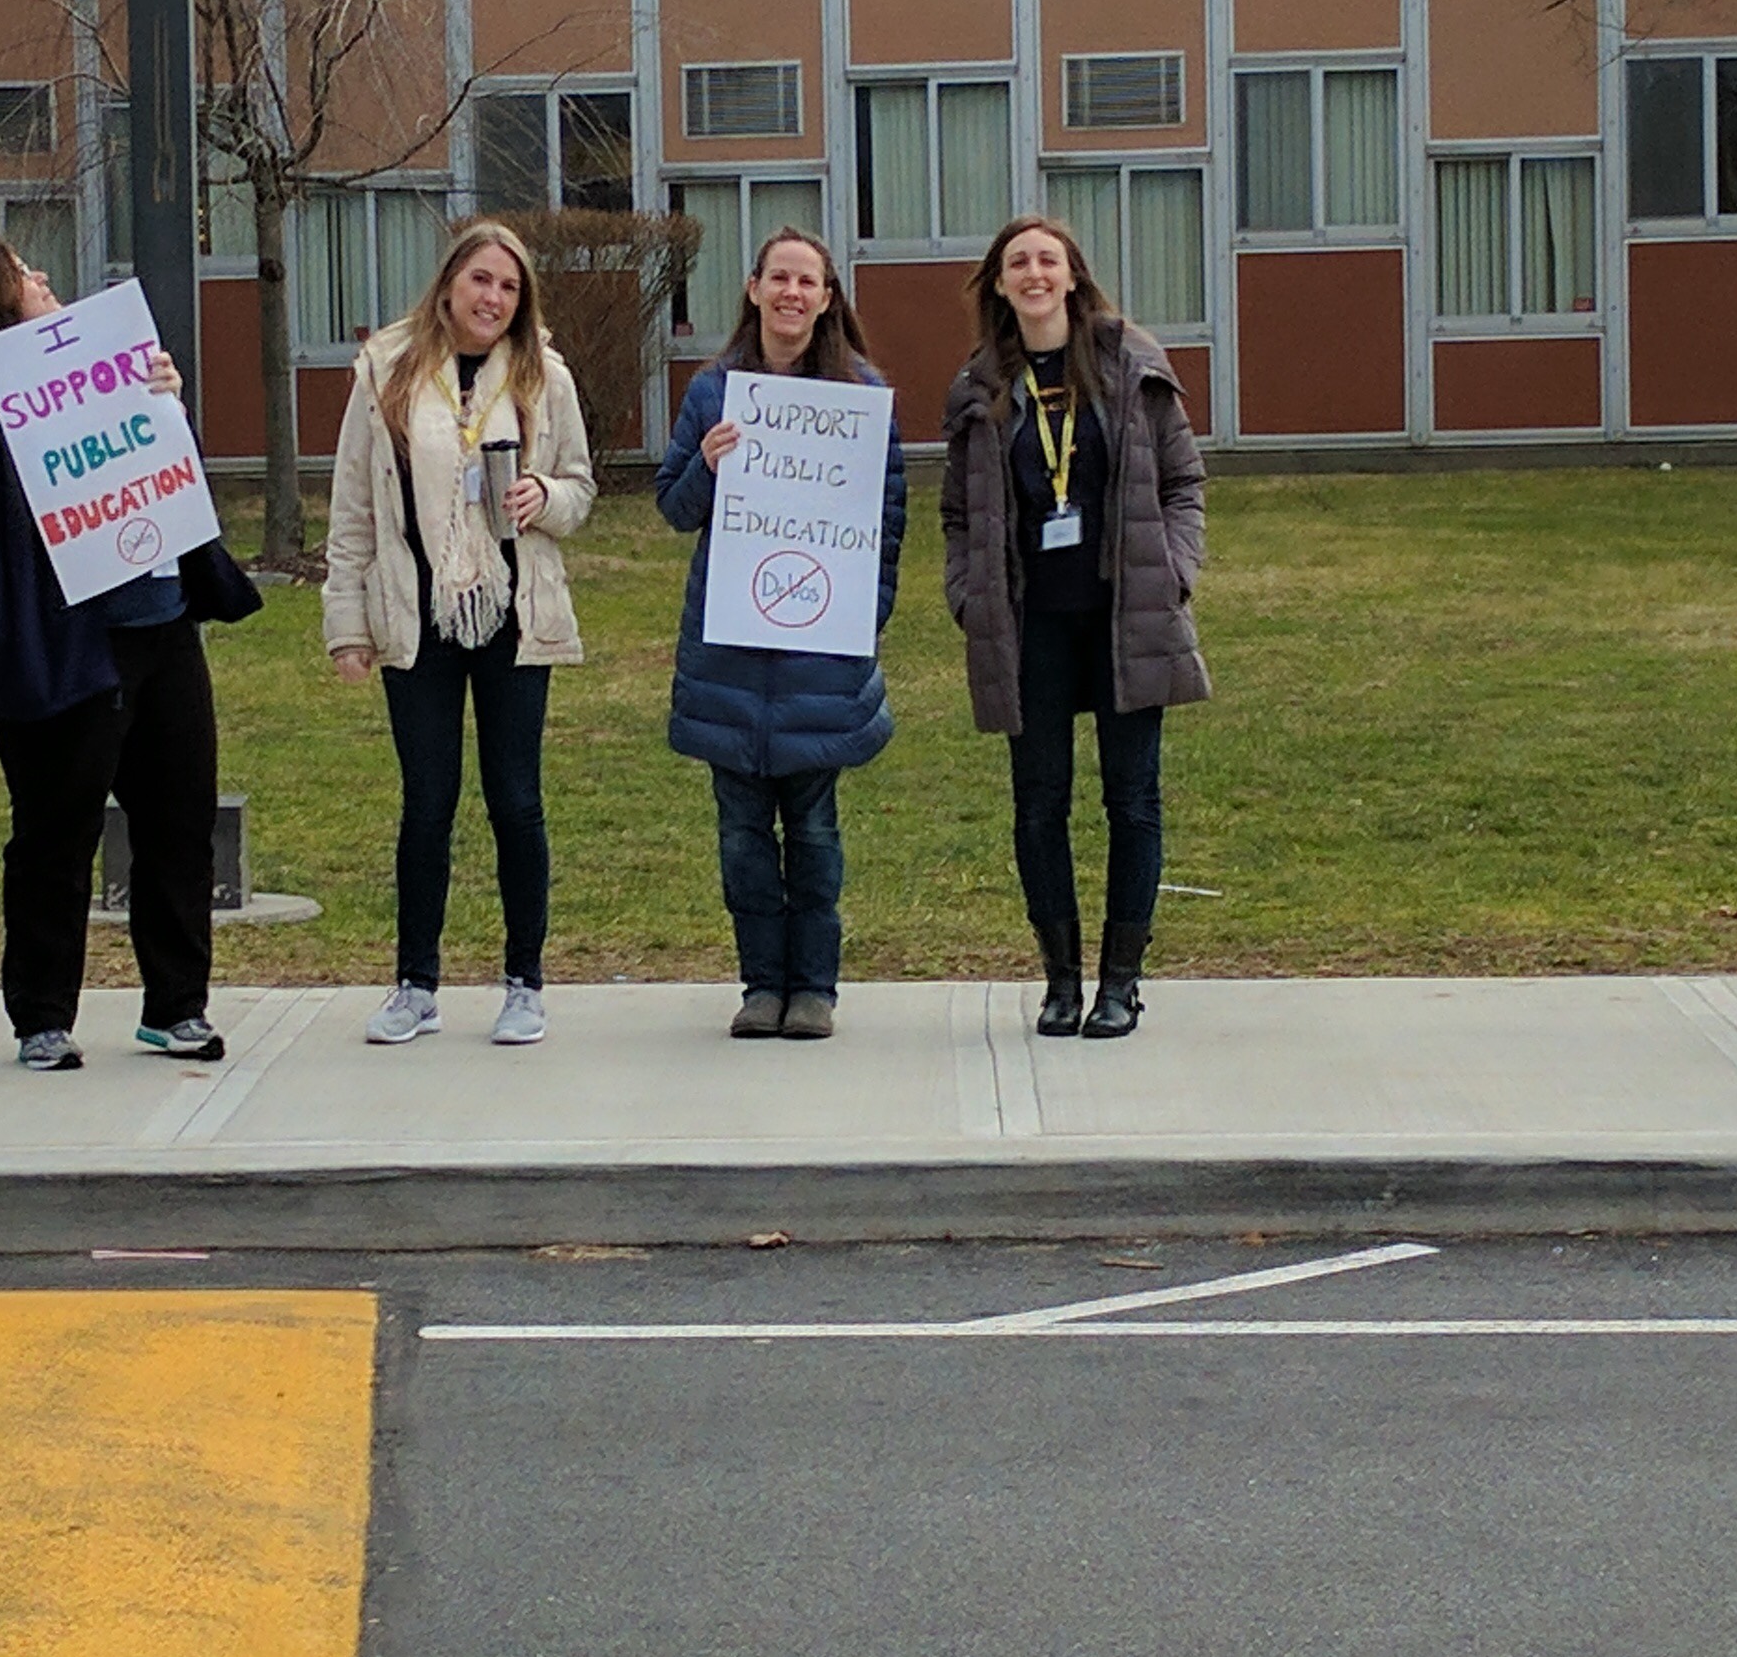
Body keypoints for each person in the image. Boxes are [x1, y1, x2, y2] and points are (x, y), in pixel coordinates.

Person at [0, 239, 253, 1072]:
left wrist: (166, 406)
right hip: (62, 654)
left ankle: (177, 1008)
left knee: (180, 824)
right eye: (27, 274)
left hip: (162, 629)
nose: (45, 280)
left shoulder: (120, 373)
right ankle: (43, 1016)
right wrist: (6, 631)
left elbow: (174, 484)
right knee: (56, 836)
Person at [323, 218, 595, 1048]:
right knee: (427, 803)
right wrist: (346, 625)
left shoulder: (545, 377)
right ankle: (416, 985)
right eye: (481, 280)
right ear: (448, 285)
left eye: (510, 288)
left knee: (516, 799)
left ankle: (524, 982)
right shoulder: (384, 373)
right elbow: (354, 510)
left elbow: (582, 488)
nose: (493, 298)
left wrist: (544, 496)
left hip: (515, 612)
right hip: (418, 612)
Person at [941, 213, 1206, 1040]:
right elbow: (957, 513)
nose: (1033, 274)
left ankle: (1121, 984)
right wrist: (968, 598)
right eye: (1017, 262)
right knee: (1038, 804)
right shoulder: (981, 387)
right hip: (1032, 627)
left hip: (1127, 615)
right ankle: (1060, 981)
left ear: (1073, 274)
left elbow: (1183, 484)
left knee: (1132, 802)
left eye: (1047, 260)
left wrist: (1176, 571)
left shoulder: (1132, 366)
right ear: (998, 284)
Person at [657, 229, 909, 1041]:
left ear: (828, 296)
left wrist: (861, 620)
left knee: (813, 831)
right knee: (740, 838)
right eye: (780, 278)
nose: (793, 293)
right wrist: (708, 463)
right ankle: (760, 984)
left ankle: (816, 989)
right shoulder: (713, 392)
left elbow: (888, 519)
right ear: (754, 287)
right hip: (729, 656)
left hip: (817, 656)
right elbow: (672, 508)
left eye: (809, 281)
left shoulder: (861, 397)